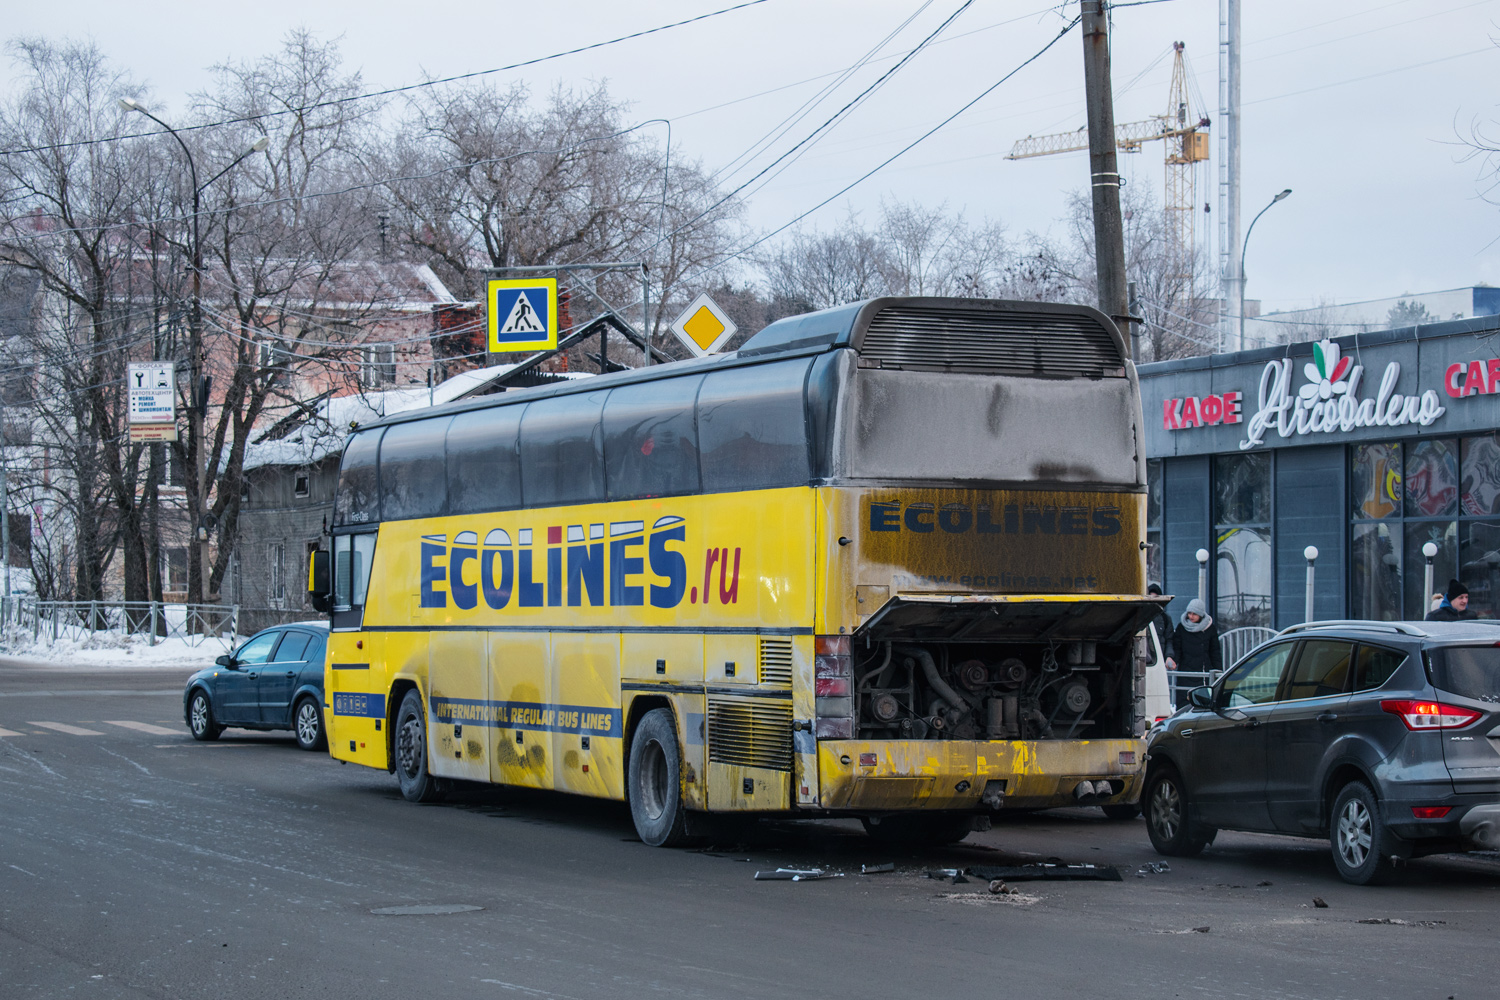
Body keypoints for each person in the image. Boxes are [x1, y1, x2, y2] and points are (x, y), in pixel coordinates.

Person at [1170, 598, 1222, 707]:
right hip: (1185, 671)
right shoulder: (1181, 627)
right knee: (1184, 703)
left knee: (1203, 702)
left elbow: (1215, 652)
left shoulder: (1209, 629)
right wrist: (1173, 660)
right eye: (1189, 613)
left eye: (1195, 614)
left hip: (1203, 672)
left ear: (1201, 615)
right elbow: (1177, 648)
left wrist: (1218, 671)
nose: (1191, 616)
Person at [1146, 583, 1176, 669]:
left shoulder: (1165, 618)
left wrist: (1169, 656)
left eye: (1156, 598)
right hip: (1144, 662)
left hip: (1159, 664)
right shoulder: (1139, 616)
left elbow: (1169, 639)